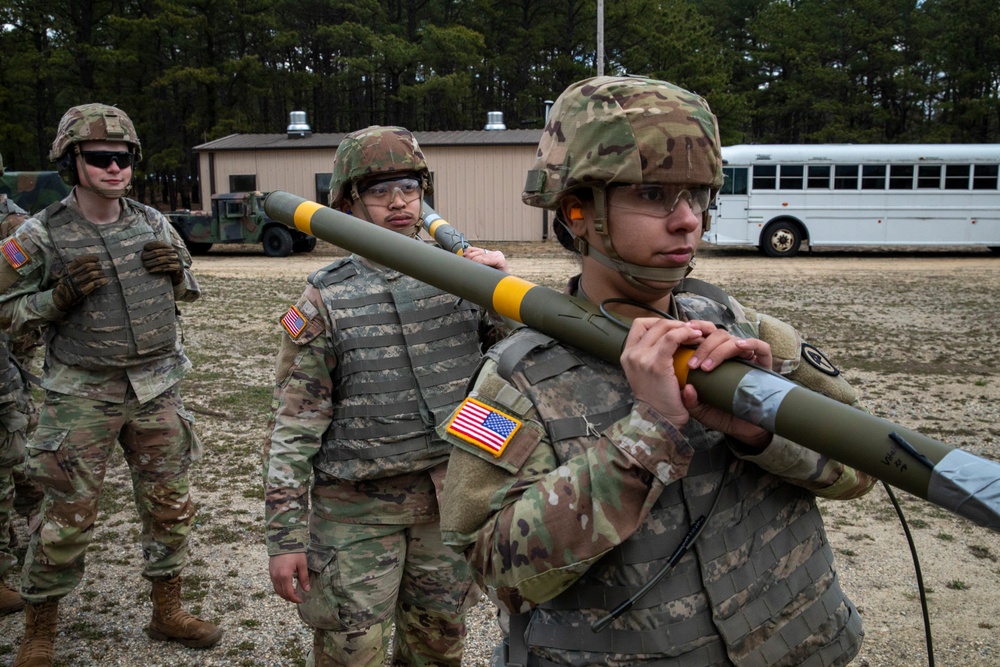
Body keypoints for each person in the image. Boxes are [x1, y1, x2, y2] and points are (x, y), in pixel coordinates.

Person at [436, 75, 878, 667]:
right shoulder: (516, 382)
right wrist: (645, 438)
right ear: (578, 211)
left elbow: (865, 469)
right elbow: (497, 572)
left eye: (697, 195)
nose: (687, 220)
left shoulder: (745, 331)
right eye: (652, 195)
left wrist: (760, 425)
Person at [264, 125, 509, 667]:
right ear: (348, 203)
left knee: (439, 647)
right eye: (379, 191)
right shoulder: (326, 297)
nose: (399, 202)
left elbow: (515, 375)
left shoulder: (463, 276)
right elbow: (294, 425)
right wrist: (283, 537)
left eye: (409, 187)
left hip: (449, 504)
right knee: (353, 654)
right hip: (356, 512)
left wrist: (499, 296)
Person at [0, 103, 222, 667]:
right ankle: (39, 629)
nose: (114, 168)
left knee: (170, 508)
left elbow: (189, 290)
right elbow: (5, 311)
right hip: (81, 393)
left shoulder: (150, 220)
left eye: (123, 158)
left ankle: (166, 610)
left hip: (156, 387)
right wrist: (57, 298)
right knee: (68, 516)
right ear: (71, 162)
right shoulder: (40, 234)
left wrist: (177, 270)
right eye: (99, 158)